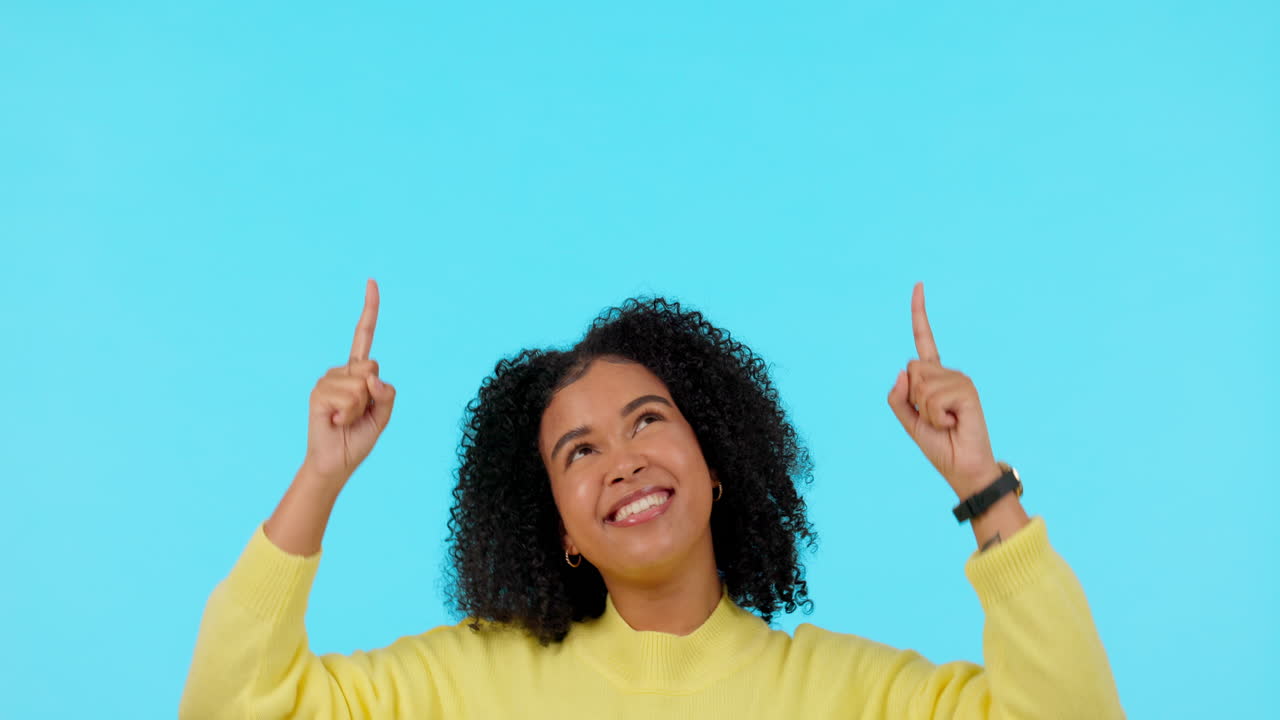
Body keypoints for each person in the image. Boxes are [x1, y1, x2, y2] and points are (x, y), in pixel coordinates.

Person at [179, 280, 1124, 719]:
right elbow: (237, 709)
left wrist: (983, 485)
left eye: (647, 422)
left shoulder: (848, 695)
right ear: (559, 527)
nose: (623, 462)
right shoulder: (465, 686)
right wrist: (320, 475)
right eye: (580, 452)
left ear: (715, 464)